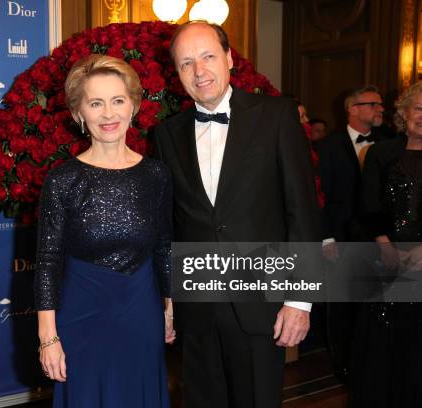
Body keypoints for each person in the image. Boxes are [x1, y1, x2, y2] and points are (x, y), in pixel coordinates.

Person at [153, 21, 321, 408]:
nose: (199, 71)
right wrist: (168, 298)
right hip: (197, 310)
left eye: (209, 56)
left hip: (262, 305)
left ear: (229, 58)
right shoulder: (166, 134)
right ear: (176, 73)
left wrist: (301, 301)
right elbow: (170, 225)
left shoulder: (277, 116)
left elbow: (304, 215)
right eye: (186, 63)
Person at [34, 54, 175, 408]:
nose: (108, 114)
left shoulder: (156, 175)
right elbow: (48, 262)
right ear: (80, 113)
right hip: (83, 316)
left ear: (133, 106)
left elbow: (164, 247)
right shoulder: (63, 179)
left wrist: (170, 307)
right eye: (96, 103)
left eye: (117, 101)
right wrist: (48, 337)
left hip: (142, 313)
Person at [351, 81, 422, 408]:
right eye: (418, 108)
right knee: (385, 344)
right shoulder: (380, 152)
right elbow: (368, 206)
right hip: (387, 260)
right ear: (404, 112)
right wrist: (386, 247)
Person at [317, 85, 393, 382]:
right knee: (341, 305)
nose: (380, 109)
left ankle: (372, 362)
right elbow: (319, 196)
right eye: (373, 104)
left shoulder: (389, 143)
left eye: (380, 104)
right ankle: (343, 365)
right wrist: (326, 237)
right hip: (341, 236)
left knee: (375, 302)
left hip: (378, 237)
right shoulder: (328, 146)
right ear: (353, 109)